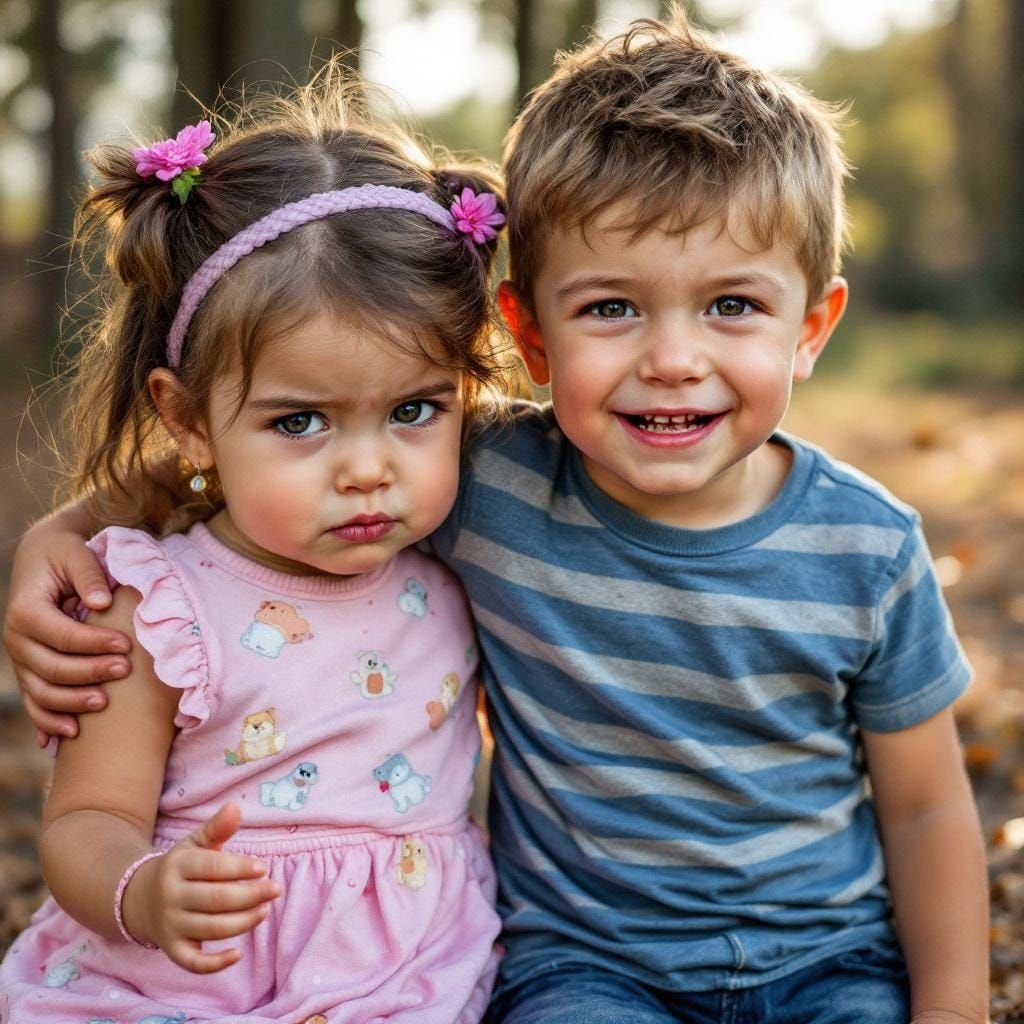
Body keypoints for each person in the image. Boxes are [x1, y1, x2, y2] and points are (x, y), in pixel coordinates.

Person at [5, 11, 990, 1024]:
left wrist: (950, 1009)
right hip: (583, 965)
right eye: (611, 306)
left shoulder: (867, 549)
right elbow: (247, 454)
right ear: (528, 331)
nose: (672, 358)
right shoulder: (472, 480)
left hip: (822, 956)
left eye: (730, 305)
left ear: (811, 327)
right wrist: (62, 534)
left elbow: (923, 807)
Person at [0, 73, 507, 1024]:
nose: (368, 469)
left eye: (413, 410)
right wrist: (142, 891)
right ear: (188, 421)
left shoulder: (462, 553)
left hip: (410, 978)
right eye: (301, 421)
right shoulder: (155, 607)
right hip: (196, 982)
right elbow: (82, 823)